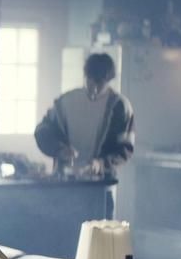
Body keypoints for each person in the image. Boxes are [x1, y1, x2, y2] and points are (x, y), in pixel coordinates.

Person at [34, 52, 135, 180]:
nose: (94, 88)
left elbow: (125, 148)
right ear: (85, 76)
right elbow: (42, 130)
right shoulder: (65, 102)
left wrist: (101, 164)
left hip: (101, 181)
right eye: (90, 81)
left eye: (100, 83)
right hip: (64, 178)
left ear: (109, 80)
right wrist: (59, 149)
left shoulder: (120, 107)